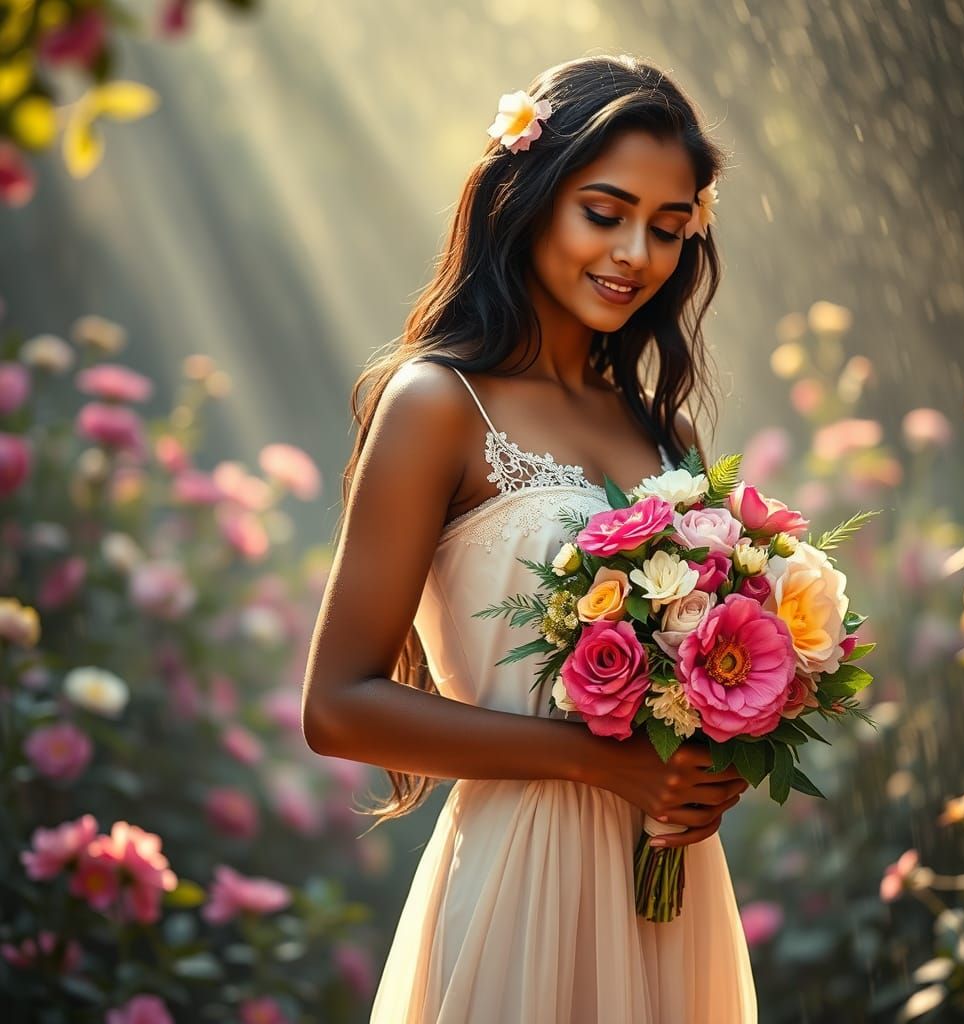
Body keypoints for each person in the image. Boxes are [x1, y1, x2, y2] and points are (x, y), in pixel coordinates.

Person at [301, 53, 758, 1023]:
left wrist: (712, 765)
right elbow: (337, 706)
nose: (635, 253)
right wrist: (598, 760)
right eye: (605, 212)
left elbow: (689, 696)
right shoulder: (438, 404)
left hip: (667, 897)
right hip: (521, 883)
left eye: (667, 227)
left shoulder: (665, 434)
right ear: (529, 196)